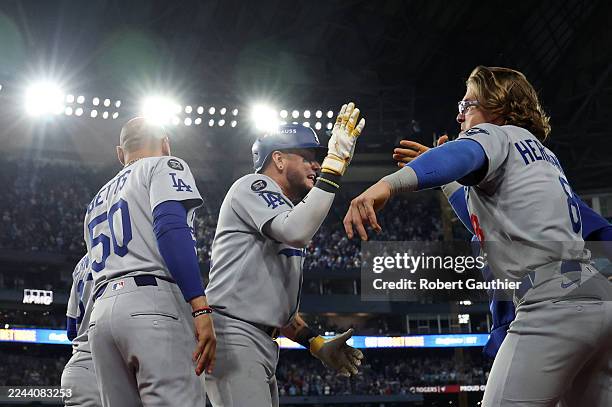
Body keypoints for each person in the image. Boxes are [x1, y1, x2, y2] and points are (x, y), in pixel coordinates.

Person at [345, 66, 612, 406]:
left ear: (499, 107)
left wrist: (385, 187)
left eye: (468, 104)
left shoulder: (494, 134)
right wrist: (444, 175)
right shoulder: (542, 156)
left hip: (552, 302)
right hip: (596, 297)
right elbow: (483, 216)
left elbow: (461, 153)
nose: (460, 115)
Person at [393, 136, 612, 359]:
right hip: (519, 321)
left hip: (543, 321)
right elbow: (476, 218)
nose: (461, 120)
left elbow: (604, 235)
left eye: (468, 108)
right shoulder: (490, 201)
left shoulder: (537, 190)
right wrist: (443, 171)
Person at [205, 104, 365, 407]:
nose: (315, 165)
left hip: (257, 341)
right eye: (306, 157)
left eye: (318, 160)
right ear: (277, 159)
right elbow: (296, 232)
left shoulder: (284, 211)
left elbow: (273, 305)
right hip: (235, 336)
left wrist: (317, 345)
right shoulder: (253, 186)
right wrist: (334, 165)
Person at [84, 117, 215, 407]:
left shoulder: (95, 200)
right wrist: (200, 306)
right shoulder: (164, 164)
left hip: (101, 316)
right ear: (166, 144)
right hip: (152, 305)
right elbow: (170, 227)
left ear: (121, 154)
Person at [61, 254, 101, 406]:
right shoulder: (136, 242)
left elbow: (71, 331)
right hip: (114, 362)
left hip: (79, 365)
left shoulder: (81, 264)